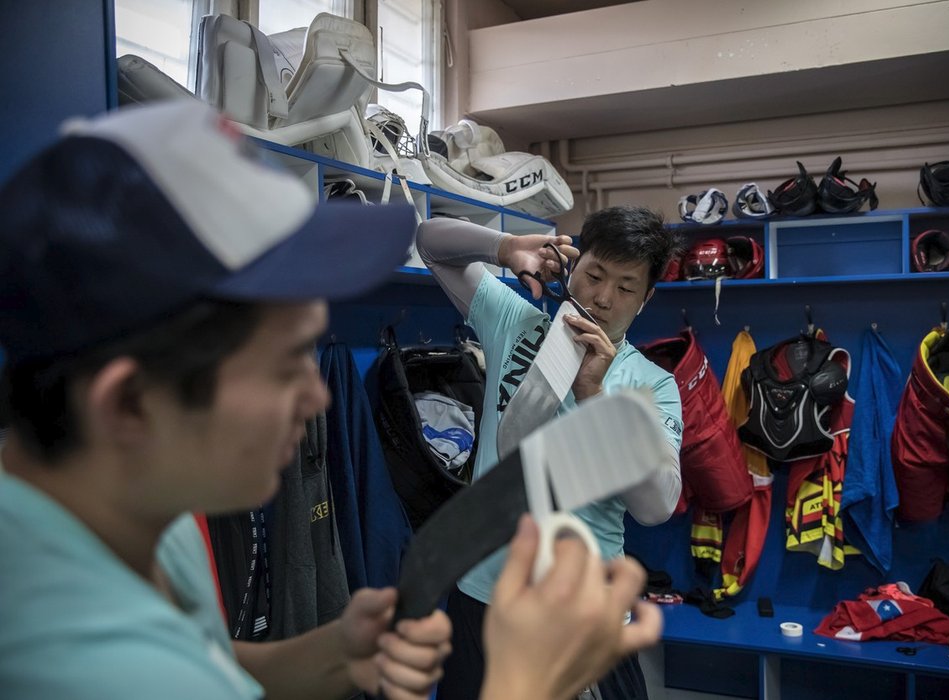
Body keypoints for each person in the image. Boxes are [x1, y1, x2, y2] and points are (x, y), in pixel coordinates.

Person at [0, 101, 662, 700]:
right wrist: (524, 686)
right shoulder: (73, 661)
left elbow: (204, 659)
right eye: (288, 363)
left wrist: (333, 654)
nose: (320, 393)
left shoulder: (134, 511)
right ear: (131, 406)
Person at [418, 207, 685, 699]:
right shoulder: (516, 323)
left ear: (645, 300)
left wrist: (594, 397)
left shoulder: (652, 384)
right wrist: (508, 248)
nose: (603, 298)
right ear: (572, 266)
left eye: (625, 288)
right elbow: (430, 240)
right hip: (482, 598)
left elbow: (656, 507)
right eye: (594, 274)